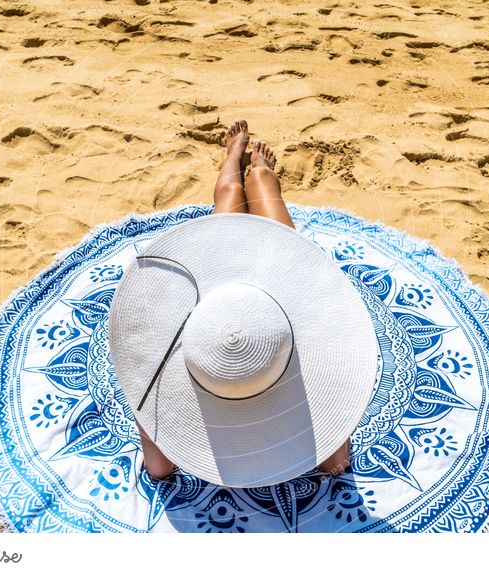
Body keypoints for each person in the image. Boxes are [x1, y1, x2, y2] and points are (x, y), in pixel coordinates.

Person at [135, 120, 352, 480]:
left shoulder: (206, 378)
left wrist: (150, 389)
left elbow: (158, 469)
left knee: (231, 195)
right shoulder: (282, 372)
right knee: (256, 190)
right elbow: (336, 464)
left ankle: (236, 160)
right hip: (274, 298)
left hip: (218, 295)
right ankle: (258, 171)